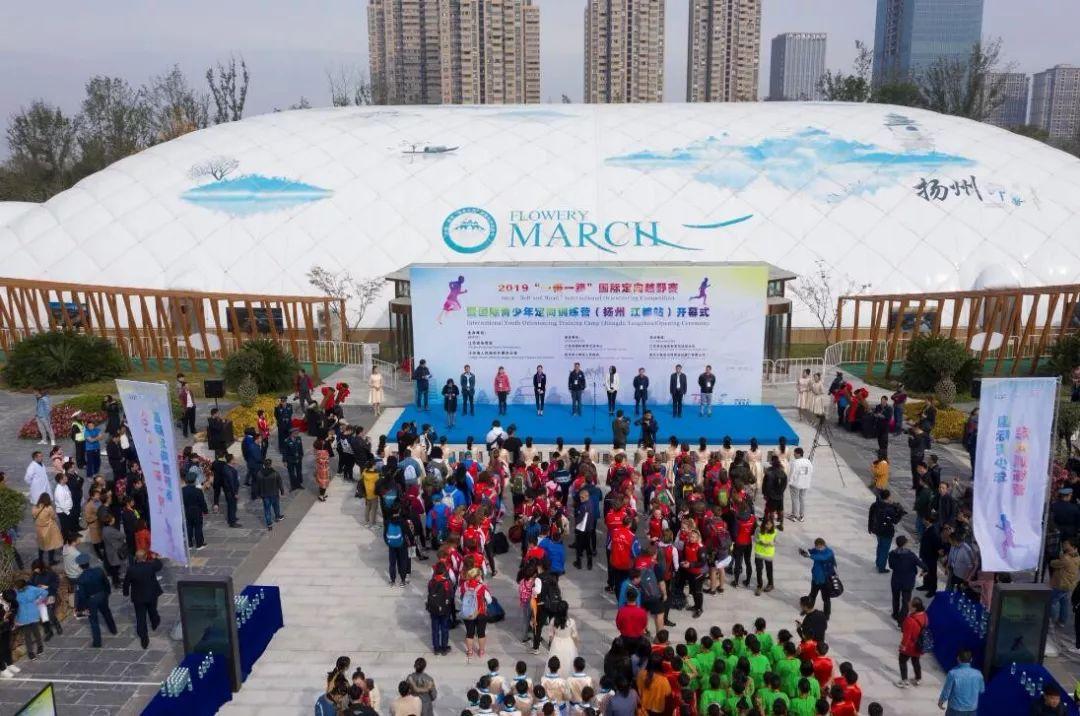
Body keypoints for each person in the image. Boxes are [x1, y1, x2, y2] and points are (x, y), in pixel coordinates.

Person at [74, 553, 118, 648]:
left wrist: (82, 607)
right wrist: (107, 593)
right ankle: (113, 629)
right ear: (88, 563)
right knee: (107, 613)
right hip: (102, 595)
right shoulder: (99, 571)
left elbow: (81, 595)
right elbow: (106, 583)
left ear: (80, 566)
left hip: (91, 600)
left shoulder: (80, 579)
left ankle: (97, 642)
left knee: (94, 621)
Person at [122, 550, 163, 649]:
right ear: (145, 557)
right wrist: (155, 558)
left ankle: (144, 639)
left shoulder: (131, 569)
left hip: (138, 597)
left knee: (140, 617)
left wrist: (126, 592)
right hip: (151, 594)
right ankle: (155, 623)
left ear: (136, 558)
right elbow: (159, 565)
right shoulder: (150, 566)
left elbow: (126, 582)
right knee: (153, 610)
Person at [458, 567, 494, 660]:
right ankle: (481, 651)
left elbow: (459, 597)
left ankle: (470, 651)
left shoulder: (464, 585)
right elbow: (489, 600)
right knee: (481, 633)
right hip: (480, 613)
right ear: (476, 577)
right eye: (480, 575)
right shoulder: (482, 587)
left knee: (469, 633)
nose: (481, 577)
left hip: (468, 613)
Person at [889, 535, 925, 625]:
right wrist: (925, 570)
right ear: (905, 544)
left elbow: (891, 566)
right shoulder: (911, 555)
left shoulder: (892, 554)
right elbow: (921, 564)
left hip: (896, 580)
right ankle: (901, 620)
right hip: (908, 582)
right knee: (906, 602)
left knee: (895, 598)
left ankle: (895, 614)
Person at [868, 490, 905, 573]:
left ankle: (878, 563)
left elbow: (870, 516)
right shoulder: (889, 509)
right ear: (888, 497)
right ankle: (881, 567)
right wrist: (900, 514)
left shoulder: (875, 505)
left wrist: (870, 528)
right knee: (884, 550)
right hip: (886, 532)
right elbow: (895, 521)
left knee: (880, 546)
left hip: (877, 529)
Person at [938, 649, 984, 716]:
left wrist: (941, 701)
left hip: (955, 709)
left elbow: (947, 691)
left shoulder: (953, 673)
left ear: (958, 659)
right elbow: (981, 690)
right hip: (972, 709)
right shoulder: (978, 674)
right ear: (971, 659)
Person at [896, 596, 928, 688]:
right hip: (919, 645)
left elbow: (907, 636)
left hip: (910, 646)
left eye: (910, 604)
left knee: (902, 661)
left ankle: (904, 681)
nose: (908, 605)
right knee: (915, 660)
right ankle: (918, 678)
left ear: (915, 608)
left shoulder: (910, 620)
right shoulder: (924, 615)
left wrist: (902, 646)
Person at [799, 538, 836, 618]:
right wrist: (805, 552)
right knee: (812, 596)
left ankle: (826, 615)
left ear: (823, 545)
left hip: (825, 580)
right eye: (816, 547)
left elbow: (821, 557)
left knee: (826, 599)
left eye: (819, 547)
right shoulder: (817, 550)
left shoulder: (829, 552)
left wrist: (810, 556)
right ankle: (808, 609)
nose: (818, 549)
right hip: (815, 579)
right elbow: (811, 551)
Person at [28, 560, 61, 639]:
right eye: (34, 569)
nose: (35, 570)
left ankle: (56, 624)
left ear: (40, 567)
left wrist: (47, 586)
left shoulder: (50, 574)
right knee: (43, 616)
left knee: (50, 613)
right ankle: (48, 631)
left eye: (36, 568)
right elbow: (30, 584)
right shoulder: (34, 576)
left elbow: (56, 583)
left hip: (50, 595)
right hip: (40, 597)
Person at [546, 601, 579, 676]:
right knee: (569, 662)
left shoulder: (553, 621)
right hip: (568, 643)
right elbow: (575, 636)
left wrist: (552, 645)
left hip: (556, 643)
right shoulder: (571, 622)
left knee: (555, 662)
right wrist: (576, 646)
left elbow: (551, 635)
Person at [31, 493, 62, 566]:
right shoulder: (49, 508)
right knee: (51, 544)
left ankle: (40, 560)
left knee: (41, 545)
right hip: (49, 529)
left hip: (39, 529)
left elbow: (34, 516)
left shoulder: (35, 507)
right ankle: (51, 561)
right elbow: (54, 517)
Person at [255, 458, 286, 530]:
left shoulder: (259, 474)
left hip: (265, 495)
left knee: (267, 510)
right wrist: (282, 491)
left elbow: (257, 485)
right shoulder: (275, 473)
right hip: (274, 494)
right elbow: (280, 483)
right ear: (270, 464)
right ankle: (277, 517)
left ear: (264, 465)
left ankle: (269, 524)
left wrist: (258, 494)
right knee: (276, 506)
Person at [182, 470, 208, 550]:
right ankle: (199, 544)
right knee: (198, 527)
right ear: (194, 481)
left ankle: (189, 544)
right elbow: (202, 502)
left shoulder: (182, 490)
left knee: (188, 526)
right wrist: (205, 511)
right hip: (197, 511)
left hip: (187, 510)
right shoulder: (198, 491)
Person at [762, 454, 788, 530]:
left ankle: (772, 525)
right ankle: (781, 524)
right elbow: (785, 484)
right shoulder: (783, 473)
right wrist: (781, 491)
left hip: (772, 496)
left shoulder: (769, 473)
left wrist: (765, 494)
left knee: (771, 511)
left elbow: (767, 485)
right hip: (780, 495)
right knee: (781, 510)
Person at [754, 516, 778, 595]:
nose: (768, 526)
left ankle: (770, 584)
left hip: (768, 554)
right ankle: (759, 586)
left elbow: (775, 541)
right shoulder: (758, 529)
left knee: (769, 570)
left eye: (770, 524)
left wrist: (771, 543)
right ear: (763, 524)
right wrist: (760, 541)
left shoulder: (775, 531)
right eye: (767, 524)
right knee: (759, 570)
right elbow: (755, 539)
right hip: (759, 553)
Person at [788, 448, 813, 523]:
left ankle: (794, 515)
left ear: (798, 454)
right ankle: (802, 516)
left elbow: (792, 473)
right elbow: (811, 471)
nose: (794, 455)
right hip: (805, 483)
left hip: (796, 484)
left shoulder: (795, 462)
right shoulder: (808, 461)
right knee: (802, 499)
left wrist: (790, 482)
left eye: (795, 453)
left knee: (795, 499)